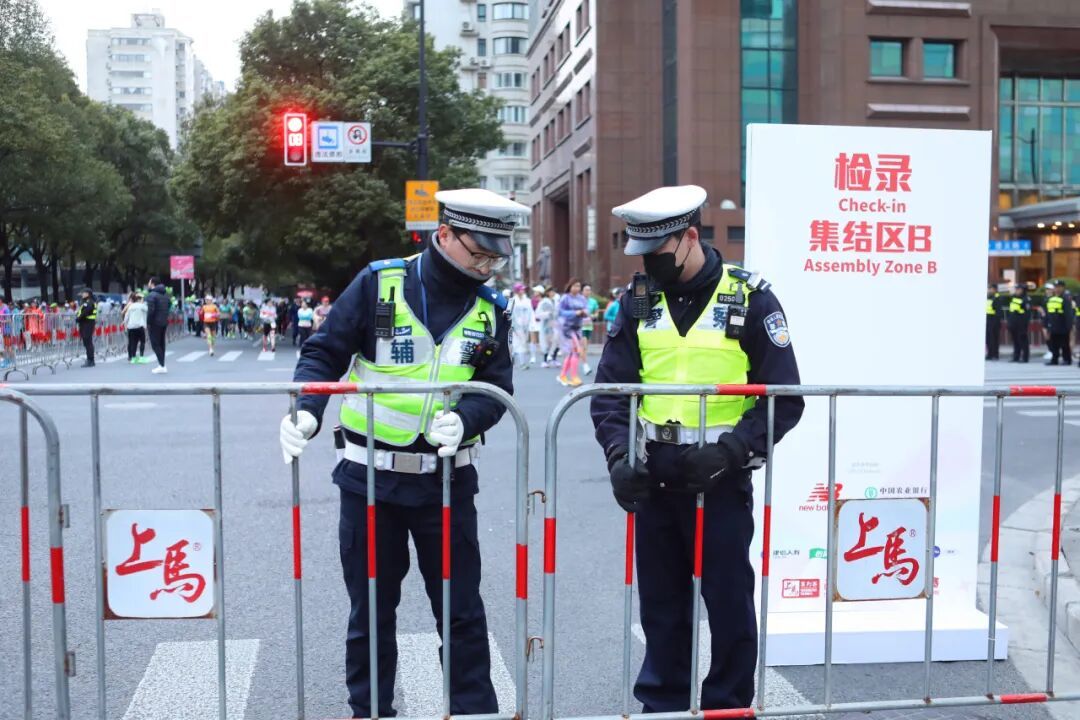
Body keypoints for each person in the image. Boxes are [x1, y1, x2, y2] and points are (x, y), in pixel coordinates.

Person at [280, 188, 526, 719]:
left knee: (461, 612)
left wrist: (467, 419)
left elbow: (496, 388)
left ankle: (473, 712)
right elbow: (324, 352)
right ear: (444, 235)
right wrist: (307, 409)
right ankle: (370, 711)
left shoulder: (491, 311)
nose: (486, 267)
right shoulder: (379, 283)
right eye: (478, 254)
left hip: (447, 482)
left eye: (495, 258)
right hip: (369, 479)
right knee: (371, 612)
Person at [591, 185, 804, 712]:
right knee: (661, 606)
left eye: (657, 253)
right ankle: (662, 704)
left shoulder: (751, 298)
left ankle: (728, 705)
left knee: (728, 604)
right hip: (655, 475)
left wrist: (732, 451)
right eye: (640, 254)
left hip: (720, 476)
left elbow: (784, 398)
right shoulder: (638, 302)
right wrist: (618, 456)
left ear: (689, 237)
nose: (648, 265)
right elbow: (611, 392)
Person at [557, 279, 588, 386]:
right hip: (567, 328)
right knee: (576, 351)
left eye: (578, 286)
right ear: (570, 287)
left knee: (572, 353)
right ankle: (574, 376)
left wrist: (584, 313)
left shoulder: (582, 298)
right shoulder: (565, 298)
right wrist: (575, 313)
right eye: (574, 286)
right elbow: (560, 312)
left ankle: (562, 375)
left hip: (577, 328)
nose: (577, 288)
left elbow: (587, 309)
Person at [146, 277, 171, 374]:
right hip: (164, 321)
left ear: (152, 283)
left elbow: (150, 311)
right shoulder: (165, 294)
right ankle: (162, 365)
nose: (148, 283)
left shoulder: (152, 295)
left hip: (155, 323)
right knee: (161, 343)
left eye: (149, 282)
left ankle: (162, 365)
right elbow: (169, 305)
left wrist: (148, 322)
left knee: (155, 344)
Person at [1045, 280, 1073, 366]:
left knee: (1064, 344)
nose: (1057, 289)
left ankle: (1066, 359)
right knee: (1053, 344)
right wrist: (1047, 326)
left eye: (1059, 287)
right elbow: (1048, 313)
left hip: (1063, 325)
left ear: (1063, 288)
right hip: (1053, 325)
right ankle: (1054, 359)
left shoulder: (1066, 299)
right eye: (1056, 287)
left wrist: (1069, 327)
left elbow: (1068, 314)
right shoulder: (1050, 299)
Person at [510, 283, 534, 370]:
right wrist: (512, 325)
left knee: (521, 343)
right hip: (516, 326)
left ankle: (514, 358)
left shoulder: (527, 300)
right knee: (519, 343)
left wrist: (531, 324)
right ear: (517, 291)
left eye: (523, 289)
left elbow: (531, 312)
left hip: (525, 326)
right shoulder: (513, 300)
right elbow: (510, 314)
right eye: (521, 289)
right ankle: (521, 363)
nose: (523, 291)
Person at [1007, 284, 1031, 363]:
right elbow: (1011, 310)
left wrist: (1024, 324)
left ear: (1023, 290)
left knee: (1023, 341)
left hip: (1021, 323)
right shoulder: (1014, 298)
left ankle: (1025, 357)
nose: (1016, 290)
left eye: (1018, 289)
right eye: (1016, 289)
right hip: (1013, 323)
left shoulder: (1026, 299)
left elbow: (1028, 313)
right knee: (1015, 340)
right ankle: (1016, 357)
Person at [123, 291, 149, 364]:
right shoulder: (142, 306)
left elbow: (126, 316)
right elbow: (147, 310)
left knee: (133, 342)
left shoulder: (131, 306)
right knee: (142, 341)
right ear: (139, 299)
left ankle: (133, 358)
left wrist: (125, 323)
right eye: (142, 299)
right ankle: (141, 357)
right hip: (139, 326)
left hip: (131, 327)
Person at [581, 283, 600, 375]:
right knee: (584, 346)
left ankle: (582, 362)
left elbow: (596, 312)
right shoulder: (578, 300)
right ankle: (585, 365)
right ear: (582, 291)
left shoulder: (593, 301)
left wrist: (594, 316)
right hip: (580, 326)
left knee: (585, 347)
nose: (588, 292)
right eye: (586, 290)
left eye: (589, 290)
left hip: (589, 326)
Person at [76, 288, 98, 367]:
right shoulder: (88, 302)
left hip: (87, 323)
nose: (82, 294)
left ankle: (90, 360)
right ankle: (90, 359)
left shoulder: (89, 302)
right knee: (87, 342)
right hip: (86, 323)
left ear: (88, 294)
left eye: (83, 293)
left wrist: (78, 318)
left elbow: (85, 312)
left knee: (88, 342)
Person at [536, 287, 557, 367]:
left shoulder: (555, 301)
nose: (553, 293)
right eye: (551, 291)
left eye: (554, 291)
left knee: (555, 342)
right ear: (547, 293)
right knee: (546, 343)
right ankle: (545, 361)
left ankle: (553, 359)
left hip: (554, 324)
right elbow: (538, 314)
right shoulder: (544, 302)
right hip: (546, 326)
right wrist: (548, 314)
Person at [985, 284, 1002, 361]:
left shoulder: (997, 298)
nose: (989, 290)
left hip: (994, 321)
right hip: (988, 320)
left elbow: (998, 312)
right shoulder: (988, 297)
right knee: (988, 339)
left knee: (994, 339)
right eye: (988, 288)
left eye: (990, 289)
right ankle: (989, 354)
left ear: (995, 289)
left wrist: (996, 322)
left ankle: (995, 354)